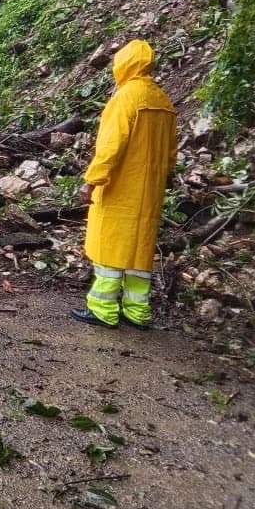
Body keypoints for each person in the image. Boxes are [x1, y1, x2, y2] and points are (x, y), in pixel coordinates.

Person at [72, 39, 177, 329]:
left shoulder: (125, 98)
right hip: (150, 192)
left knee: (110, 247)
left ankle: (103, 308)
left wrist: (92, 180)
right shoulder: (163, 101)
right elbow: (170, 153)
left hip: (120, 187)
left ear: (124, 64)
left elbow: (111, 146)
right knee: (139, 250)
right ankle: (137, 310)